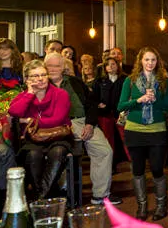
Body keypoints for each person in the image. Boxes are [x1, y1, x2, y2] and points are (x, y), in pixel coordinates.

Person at [44, 53, 120, 205]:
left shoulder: (74, 82)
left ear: (63, 68)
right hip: (58, 124)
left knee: (104, 151)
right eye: (49, 66)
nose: (53, 69)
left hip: (83, 121)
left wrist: (90, 124)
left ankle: (100, 195)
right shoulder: (42, 84)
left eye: (57, 66)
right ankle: (58, 195)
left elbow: (92, 103)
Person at [118, 47, 168, 221]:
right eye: (146, 60)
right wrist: (138, 100)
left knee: (157, 168)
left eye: (153, 60)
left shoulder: (165, 81)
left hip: (157, 129)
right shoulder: (130, 80)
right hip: (134, 130)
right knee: (138, 169)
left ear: (158, 62)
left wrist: (156, 101)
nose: (150, 63)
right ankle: (142, 206)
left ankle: (161, 205)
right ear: (140, 61)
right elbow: (121, 106)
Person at [8, 60, 72, 198]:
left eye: (43, 74)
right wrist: (30, 93)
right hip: (33, 140)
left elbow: (57, 120)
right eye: (35, 76)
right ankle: (44, 197)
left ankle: (40, 198)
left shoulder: (60, 94)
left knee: (58, 152)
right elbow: (14, 112)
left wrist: (30, 121)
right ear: (27, 79)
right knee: (32, 155)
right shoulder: (24, 96)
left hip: (57, 137)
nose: (40, 79)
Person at [91, 56, 128, 167]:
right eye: (108, 65)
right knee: (107, 139)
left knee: (126, 137)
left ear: (118, 66)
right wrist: (98, 104)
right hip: (105, 114)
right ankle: (110, 165)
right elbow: (93, 97)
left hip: (121, 114)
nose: (111, 67)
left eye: (113, 64)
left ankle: (133, 162)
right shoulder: (99, 81)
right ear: (105, 67)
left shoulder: (125, 79)